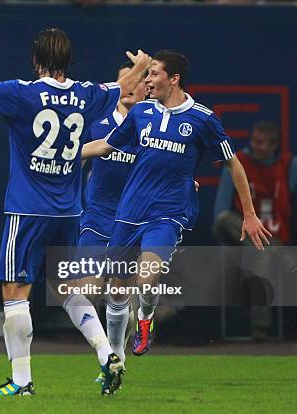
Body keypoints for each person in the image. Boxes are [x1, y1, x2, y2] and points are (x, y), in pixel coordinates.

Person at [0, 28, 150, 395]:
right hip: (69, 211)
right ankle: (106, 352)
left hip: (28, 210)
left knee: (15, 291)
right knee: (66, 289)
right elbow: (120, 86)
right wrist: (142, 66)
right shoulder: (86, 94)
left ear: (36, 61)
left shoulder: (21, 92)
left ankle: (21, 380)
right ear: (68, 60)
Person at [82, 49, 271, 357]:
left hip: (168, 214)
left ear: (174, 78)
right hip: (129, 212)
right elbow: (106, 145)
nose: (147, 80)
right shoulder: (142, 113)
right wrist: (65, 154)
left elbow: (233, 165)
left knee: (147, 277)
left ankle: (145, 320)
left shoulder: (203, 119)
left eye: (153, 74)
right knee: (117, 288)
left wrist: (249, 214)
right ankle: (114, 359)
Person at [79, 61, 146, 366]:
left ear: (149, 88)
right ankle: (107, 347)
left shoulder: (151, 127)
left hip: (132, 221)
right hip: (96, 217)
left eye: (138, 80)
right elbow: (73, 158)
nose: (130, 86)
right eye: (124, 81)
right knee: (84, 289)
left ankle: (114, 354)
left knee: (119, 295)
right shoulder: (96, 122)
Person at [214, 121, 296, 246]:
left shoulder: (290, 165)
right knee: (224, 220)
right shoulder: (237, 163)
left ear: (273, 145)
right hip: (246, 238)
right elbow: (220, 213)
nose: (253, 146)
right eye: (253, 140)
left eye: (259, 142)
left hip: (277, 242)